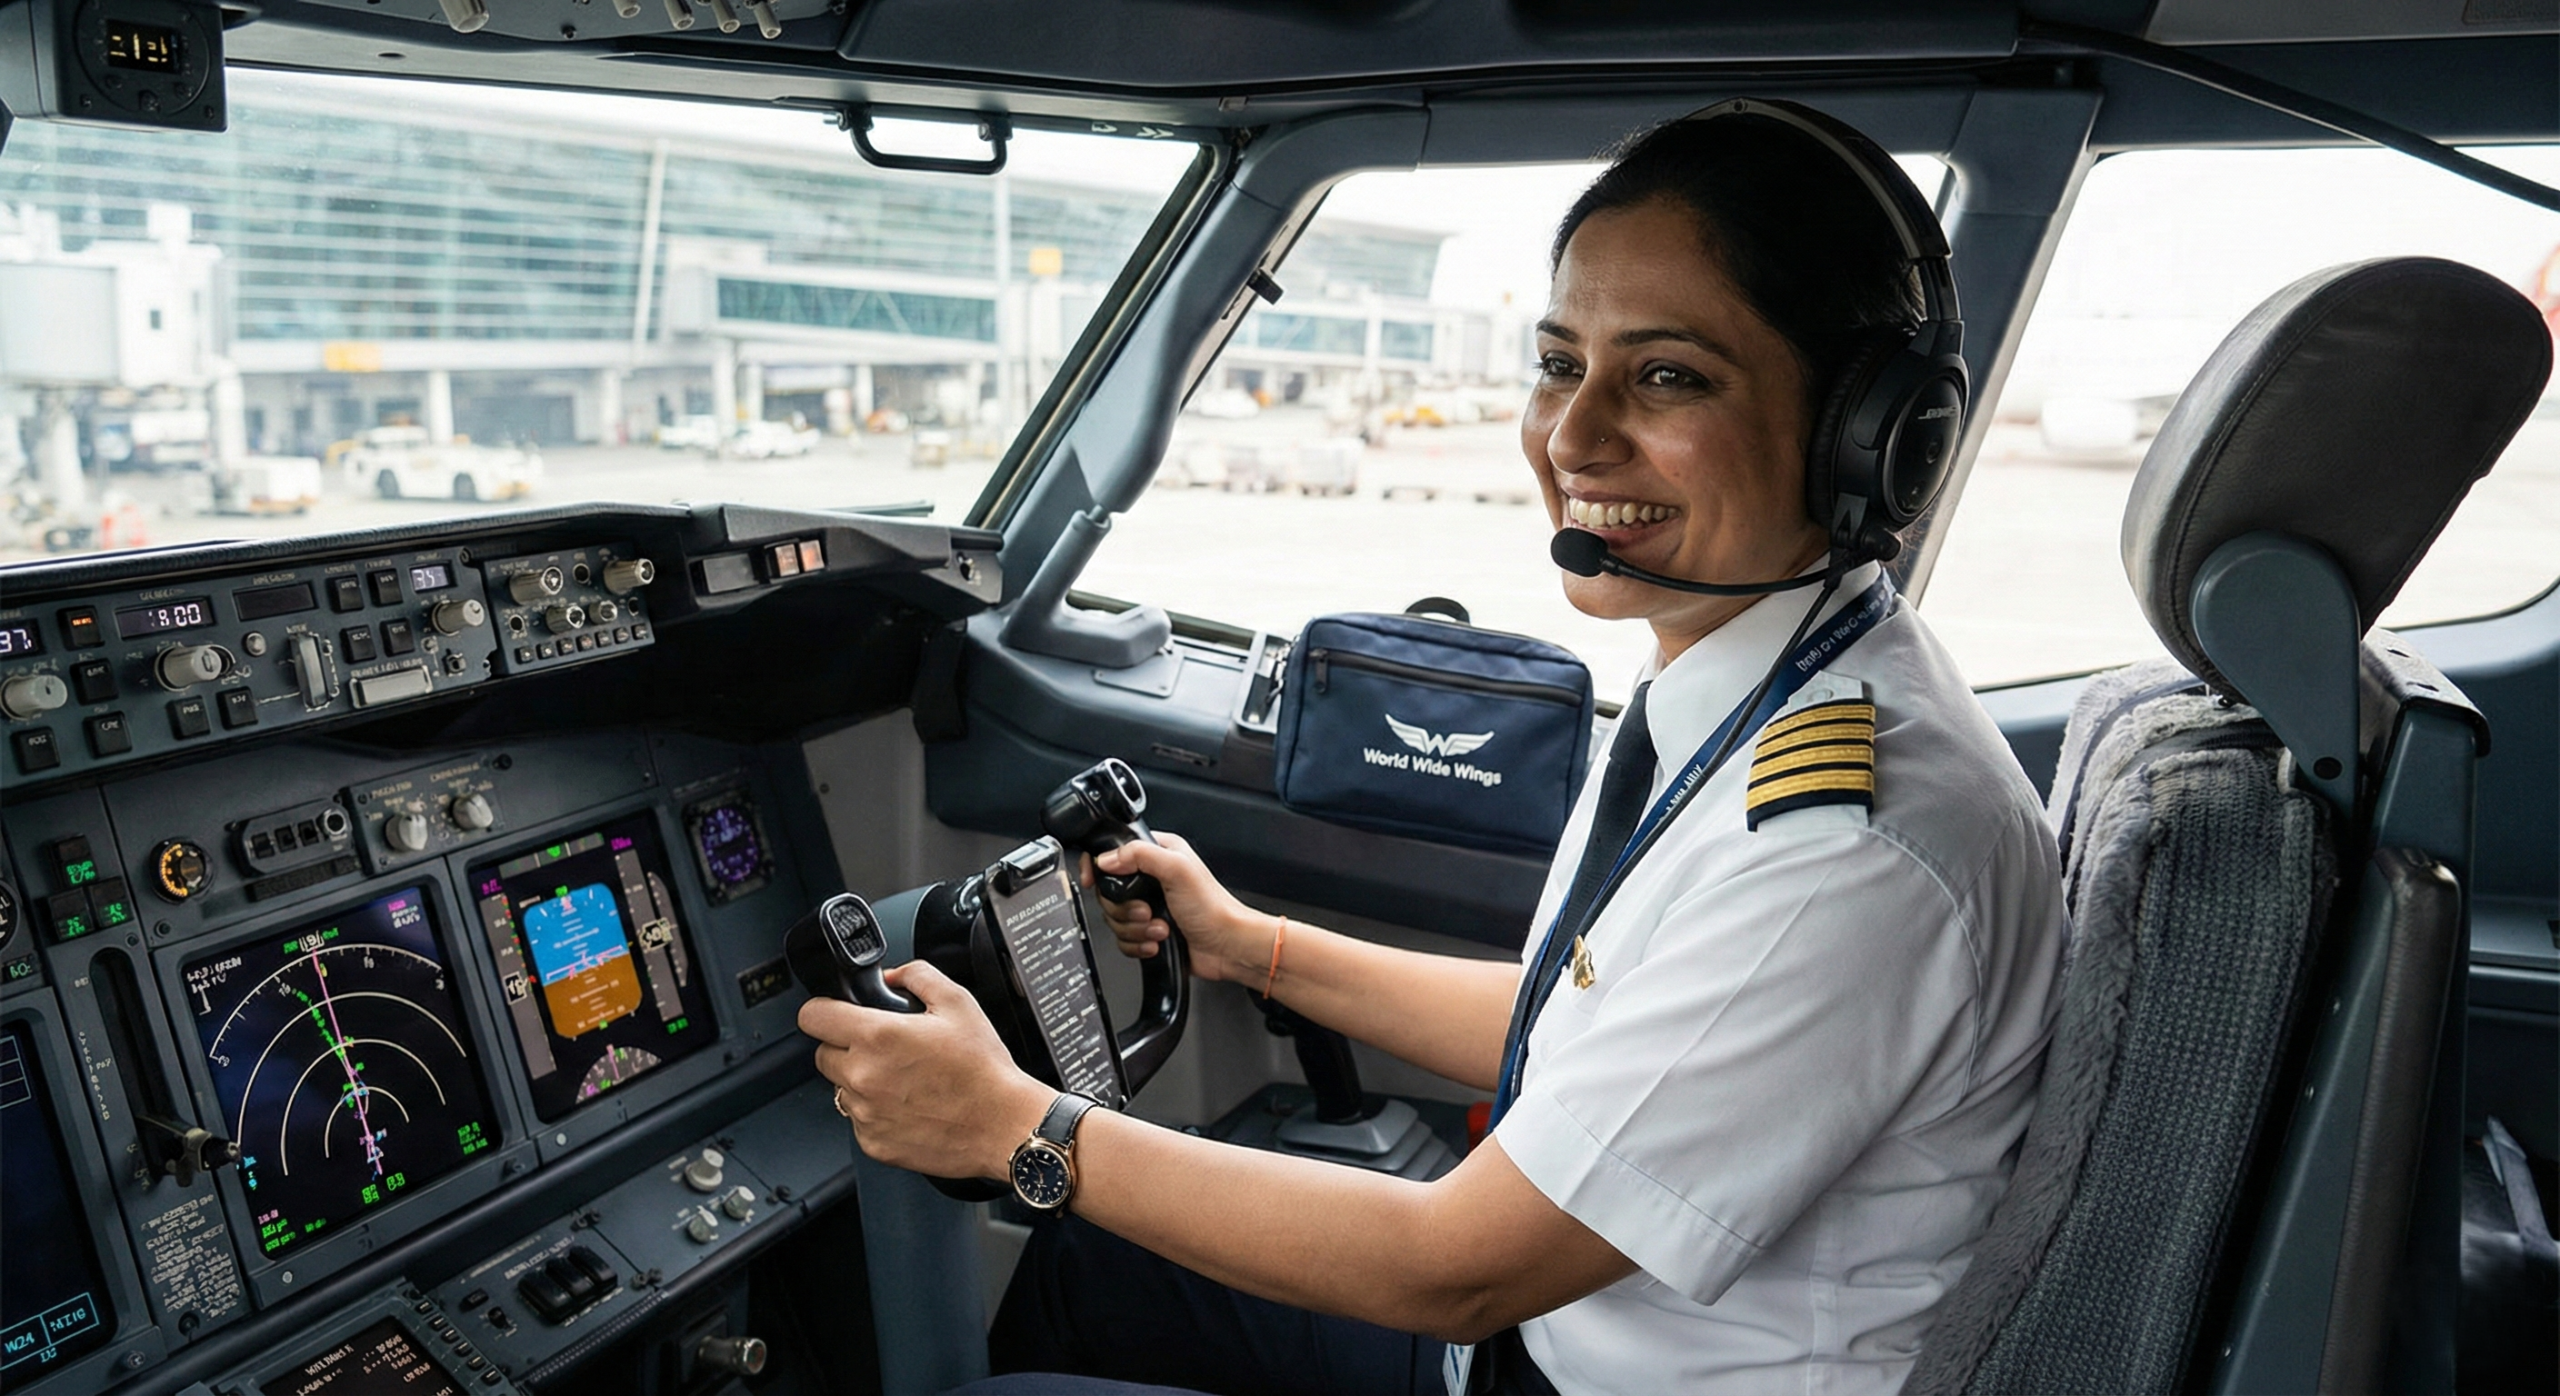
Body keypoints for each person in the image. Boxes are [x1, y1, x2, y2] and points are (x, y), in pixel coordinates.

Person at [799, 105, 2069, 1395]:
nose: (1573, 439)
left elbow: (1457, 1266)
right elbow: (1576, 1030)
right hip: (1536, 1345)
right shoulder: (1758, 682)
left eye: (1669, 375)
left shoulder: (1843, 847)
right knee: (1096, 1272)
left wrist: (1016, 1128)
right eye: (1561, 363)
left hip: (1549, 1362)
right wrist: (1255, 948)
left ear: (1871, 437)